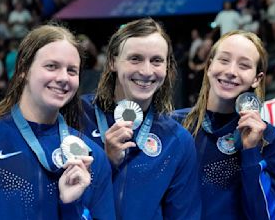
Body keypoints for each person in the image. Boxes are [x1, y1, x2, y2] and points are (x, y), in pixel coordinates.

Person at [0, 24, 115, 219]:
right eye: (51, 66)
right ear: (23, 70)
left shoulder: (91, 157)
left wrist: (71, 207)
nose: (63, 78)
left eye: (72, 71)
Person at [80, 18, 200, 219]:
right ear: (112, 62)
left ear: (167, 67)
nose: (146, 71)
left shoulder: (177, 140)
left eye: (156, 60)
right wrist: (104, 162)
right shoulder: (78, 116)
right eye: (135, 58)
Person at [173, 30, 275, 220]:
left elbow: (267, 216)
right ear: (209, 66)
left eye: (243, 65)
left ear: (256, 79)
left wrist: (250, 152)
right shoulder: (175, 125)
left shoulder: (268, 138)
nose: (231, 72)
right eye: (224, 60)